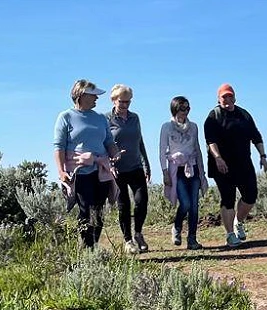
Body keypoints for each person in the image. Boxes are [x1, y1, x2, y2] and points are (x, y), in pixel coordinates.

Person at [53, 79, 122, 249]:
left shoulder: (100, 118)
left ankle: (93, 247)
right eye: (93, 95)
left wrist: (116, 153)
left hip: (101, 170)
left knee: (98, 210)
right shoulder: (65, 117)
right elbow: (59, 147)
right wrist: (61, 172)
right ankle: (85, 247)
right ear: (82, 95)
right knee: (86, 210)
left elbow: (108, 141)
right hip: (79, 171)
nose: (97, 99)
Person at [203, 83, 267, 247]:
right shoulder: (213, 117)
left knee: (251, 195)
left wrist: (263, 155)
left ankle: (239, 222)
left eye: (230, 96)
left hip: (244, 163)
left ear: (235, 98)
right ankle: (230, 234)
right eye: (224, 96)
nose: (227, 99)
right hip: (222, 166)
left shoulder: (244, 115)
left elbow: (256, 135)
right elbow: (211, 141)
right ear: (218, 99)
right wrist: (218, 158)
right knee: (228, 198)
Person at [105, 84, 152, 254]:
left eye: (128, 101)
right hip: (117, 170)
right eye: (122, 101)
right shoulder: (106, 119)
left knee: (142, 201)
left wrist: (146, 163)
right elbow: (104, 145)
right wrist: (110, 165)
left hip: (136, 167)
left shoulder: (135, 118)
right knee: (123, 205)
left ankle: (138, 233)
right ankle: (128, 240)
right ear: (113, 100)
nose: (125, 105)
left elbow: (140, 141)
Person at [159, 96, 208, 250]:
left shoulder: (193, 126)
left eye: (187, 108)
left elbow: (197, 148)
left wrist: (202, 172)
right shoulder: (166, 127)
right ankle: (177, 227)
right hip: (176, 169)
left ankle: (192, 239)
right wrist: (164, 172)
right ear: (174, 109)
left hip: (192, 167)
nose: (185, 111)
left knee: (194, 205)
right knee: (185, 203)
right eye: (181, 108)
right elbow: (162, 151)